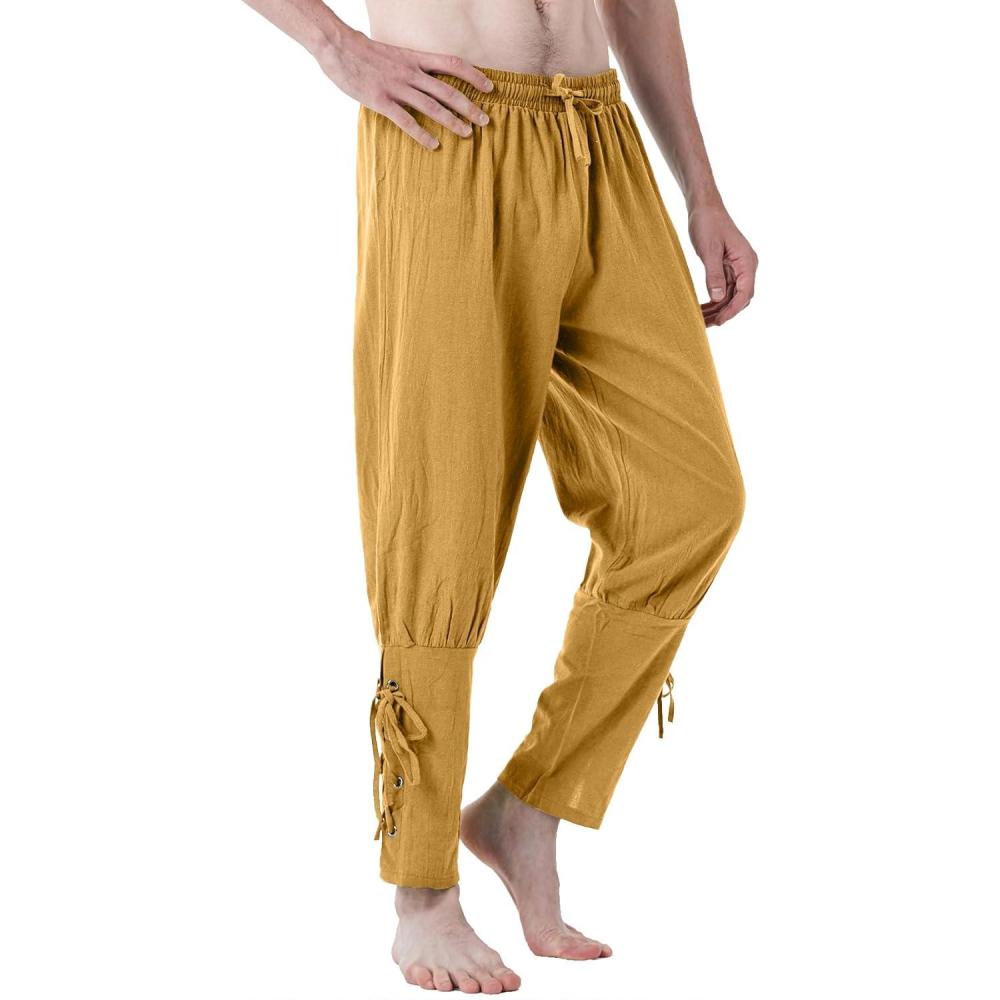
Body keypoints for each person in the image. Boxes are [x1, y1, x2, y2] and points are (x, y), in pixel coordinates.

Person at [242, 0, 757, 992]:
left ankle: (530, 806)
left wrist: (702, 190)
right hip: (449, 127)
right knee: (440, 523)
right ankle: (421, 891)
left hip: (600, 139)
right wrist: (334, 46)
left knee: (689, 501)